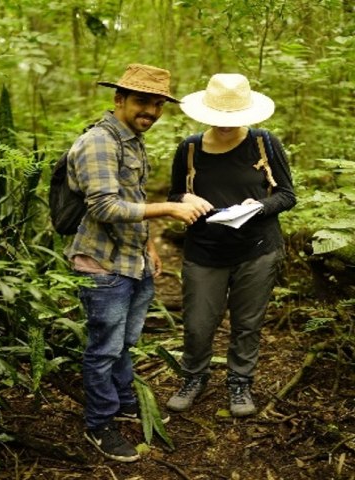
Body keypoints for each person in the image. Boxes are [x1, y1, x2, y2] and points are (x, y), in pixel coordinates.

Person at [65, 64, 209, 463]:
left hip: (132, 260)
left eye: (158, 103)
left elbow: (130, 198)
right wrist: (172, 208)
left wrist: (149, 248)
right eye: (142, 101)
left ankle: (124, 401)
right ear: (119, 100)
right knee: (104, 349)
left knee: (125, 343)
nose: (151, 110)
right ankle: (99, 424)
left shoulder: (132, 139)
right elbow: (105, 207)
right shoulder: (100, 141)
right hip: (102, 264)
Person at [165, 74, 296, 417]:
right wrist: (185, 199)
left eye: (233, 119)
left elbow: (286, 195)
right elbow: (174, 194)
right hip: (204, 251)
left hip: (257, 249)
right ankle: (193, 377)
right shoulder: (189, 148)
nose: (225, 126)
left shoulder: (264, 143)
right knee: (197, 323)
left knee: (247, 322)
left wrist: (258, 207)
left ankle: (240, 382)